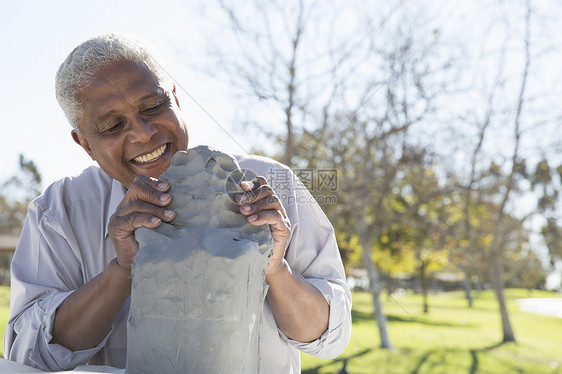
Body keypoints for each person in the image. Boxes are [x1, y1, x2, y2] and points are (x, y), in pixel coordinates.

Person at [3, 34, 351, 373]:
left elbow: (330, 337)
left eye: (153, 107)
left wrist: (276, 270)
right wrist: (121, 270)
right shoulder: (58, 213)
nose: (143, 133)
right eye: (112, 126)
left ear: (176, 100)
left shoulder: (271, 187)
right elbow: (27, 355)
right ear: (85, 145)